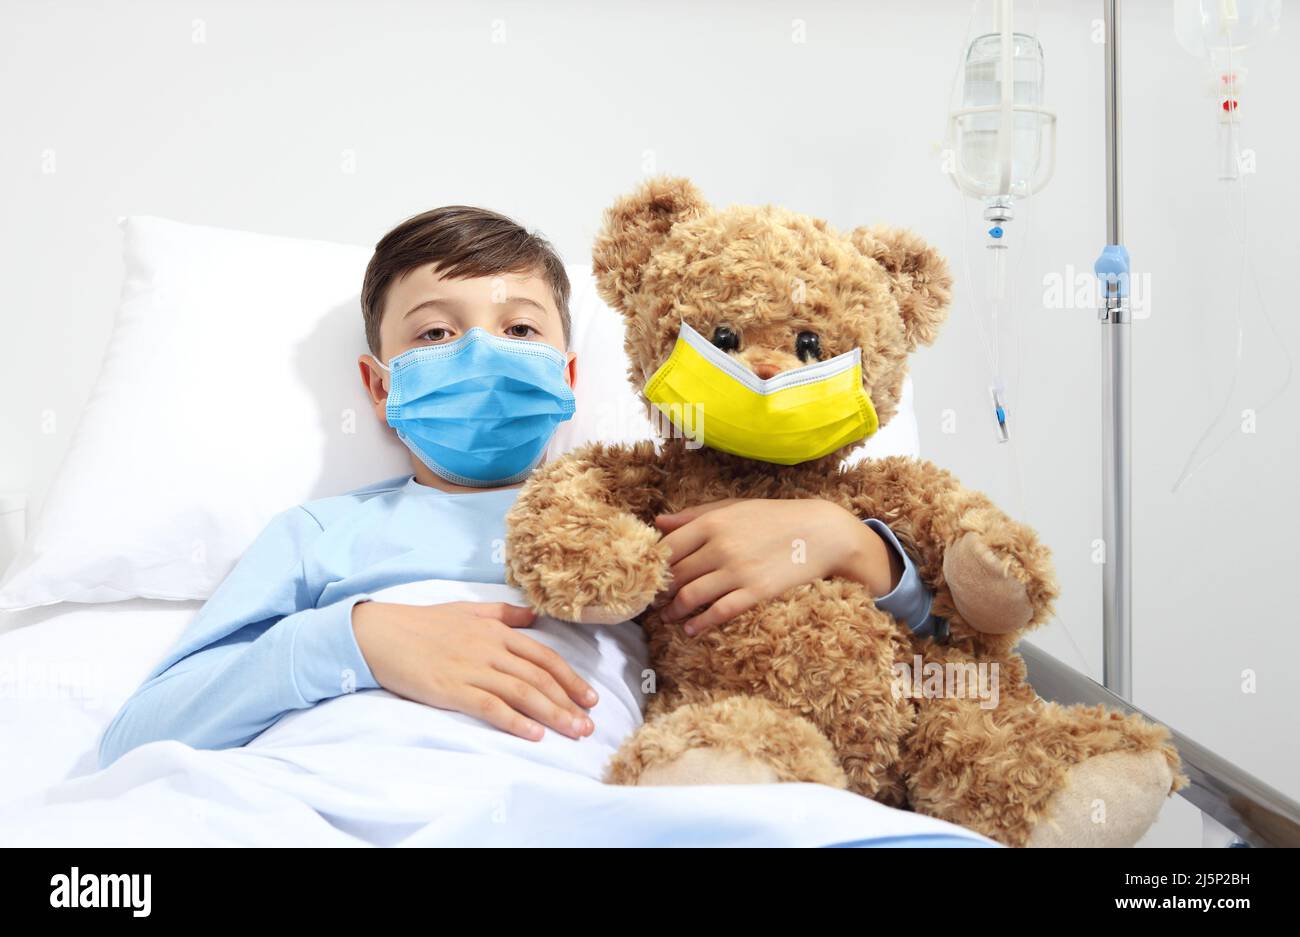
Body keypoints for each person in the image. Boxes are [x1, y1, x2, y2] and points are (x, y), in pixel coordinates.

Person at [97, 205, 936, 769]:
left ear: (568, 375)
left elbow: (930, 645)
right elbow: (135, 740)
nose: (483, 352)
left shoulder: (647, 516)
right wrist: (358, 639)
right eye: (434, 331)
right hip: (309, 798)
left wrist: (844, 538)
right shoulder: (320, 535)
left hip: (558, 806)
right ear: (381, 386)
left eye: (520, 328)